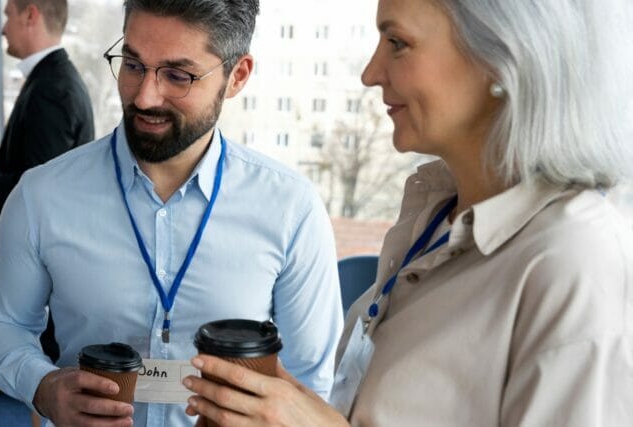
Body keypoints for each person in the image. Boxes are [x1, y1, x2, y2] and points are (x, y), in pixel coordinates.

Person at [183, 0, 633, 425]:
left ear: (500, 56)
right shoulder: (435, 222)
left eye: (397, 42)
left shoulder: (576, 262)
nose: (370, 73)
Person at [0, 1, 344, 426]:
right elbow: (4, 323)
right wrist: (43, 387)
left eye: (177, 75)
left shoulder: (291, 209)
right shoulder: (41, 195)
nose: (145, 96)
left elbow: (311, 379)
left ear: (236, 76)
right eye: (133, 65)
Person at [0, 0, 95, 252]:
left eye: (8, 16)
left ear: (31, 15)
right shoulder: (53, 78)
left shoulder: (50, 90)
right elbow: (43, 165)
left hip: (36, 254)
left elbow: (43, 190)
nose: (2, 29)